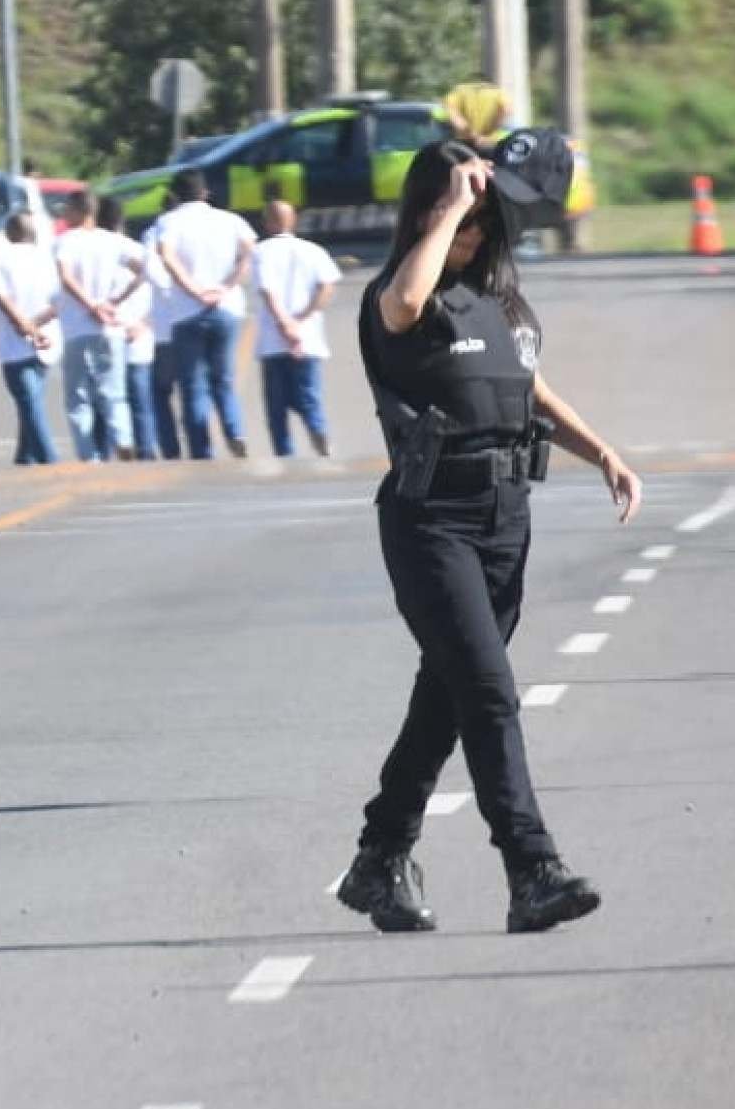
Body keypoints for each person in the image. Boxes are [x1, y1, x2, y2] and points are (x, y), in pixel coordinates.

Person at [335, 142, 639, 938]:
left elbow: (531, 390)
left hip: (505, 518)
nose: (473, 233)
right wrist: (449, 207)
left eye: (482, 222)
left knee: (449, 696)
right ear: (426, 214)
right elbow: (405, 300)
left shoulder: (495, 304)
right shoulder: (399, 296)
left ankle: (379, 856)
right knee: (490, 693)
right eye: (461, 221)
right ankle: (532, 868)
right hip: (431, 522)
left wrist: (603, 452)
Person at [147, 170, 257, 460]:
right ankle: (234, 431)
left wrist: (194, 290)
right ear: (205, 193)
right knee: (223, 379)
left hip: (187, 313)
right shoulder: (230, 220)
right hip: (227, 308)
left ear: (176, 194)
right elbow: (249, 252)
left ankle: (202, 451)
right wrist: (227, 286)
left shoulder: (168, 222)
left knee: (193, 386)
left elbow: (166, 255)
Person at [53, 191, 144, 463]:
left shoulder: (65, 242)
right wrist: (115, 301)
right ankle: (123, 439)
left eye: (67, 209)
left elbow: (66, 277)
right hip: (110, 328)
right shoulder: (113, 241)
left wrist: (92, 305)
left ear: (79, 211)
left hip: (77, 329)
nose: (64, 215)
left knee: (78, 398)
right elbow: (145, 270)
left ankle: (88, 455)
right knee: (115, 393)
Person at [254, 200, 339, 459]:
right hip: (308, 338)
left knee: (276, 408)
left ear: (268, 223)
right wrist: (302, 319)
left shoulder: (261, 252)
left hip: (273, 342)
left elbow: (267, 290)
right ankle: (317, 430)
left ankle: (285, 455)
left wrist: (285, 323)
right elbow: (327, 287)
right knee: (309, 396)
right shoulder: (314, 251)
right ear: (293, 221)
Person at [0, 214, 62, 466]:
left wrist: (23, 324)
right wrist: (35, 325)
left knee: (30, 403)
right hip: (47, 341)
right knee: (30, 401)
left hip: (15, 346)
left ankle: (50, 459)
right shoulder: (47, 259)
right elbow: (61, 301)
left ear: (9, 234)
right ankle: (25, 457)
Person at [108, 196, 163, 462]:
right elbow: (162, 290)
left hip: (108, 334)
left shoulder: (96, 250)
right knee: (142, 401)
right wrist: (144, 323)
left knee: (110, 400)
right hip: (139, 336)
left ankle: (118, 448)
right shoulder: (140, 252)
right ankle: (146, 451)